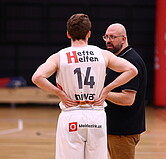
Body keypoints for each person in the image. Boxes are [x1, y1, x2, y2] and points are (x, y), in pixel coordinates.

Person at [32, 14, 138, 159]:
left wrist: (59, 94)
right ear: (89, 33)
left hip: (72, 113)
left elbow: (37, 77)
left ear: (68, 34)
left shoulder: (60, 56)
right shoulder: (102, 54)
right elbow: (132, 70)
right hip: (96, 115)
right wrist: (107, 90)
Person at [103, 23, 147, 159]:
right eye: (106, 37)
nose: (108, 41)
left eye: (113, 37)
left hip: (123, 131)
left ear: (124, 39)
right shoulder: (116, 59)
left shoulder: (130, 61)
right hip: (116, 129)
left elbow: (128, 99)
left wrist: (102, 94)